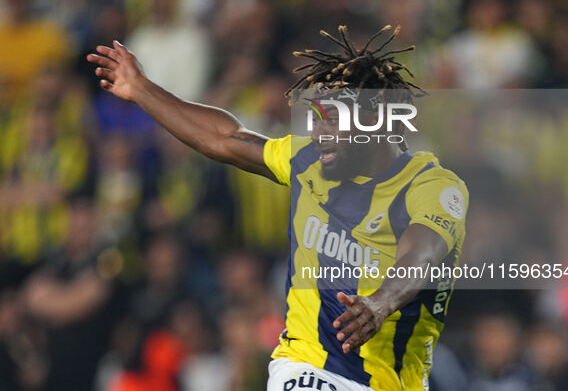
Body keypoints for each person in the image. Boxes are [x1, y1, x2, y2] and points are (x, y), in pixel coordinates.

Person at [88, 24, 469, 391]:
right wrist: (140, 88)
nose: (319, 133)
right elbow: (223, 138)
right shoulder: (307, 162)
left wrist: (381, 302)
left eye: (332, 119)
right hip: (306, 369)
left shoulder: (431, 187)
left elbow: (424, 253)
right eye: (316, 117)